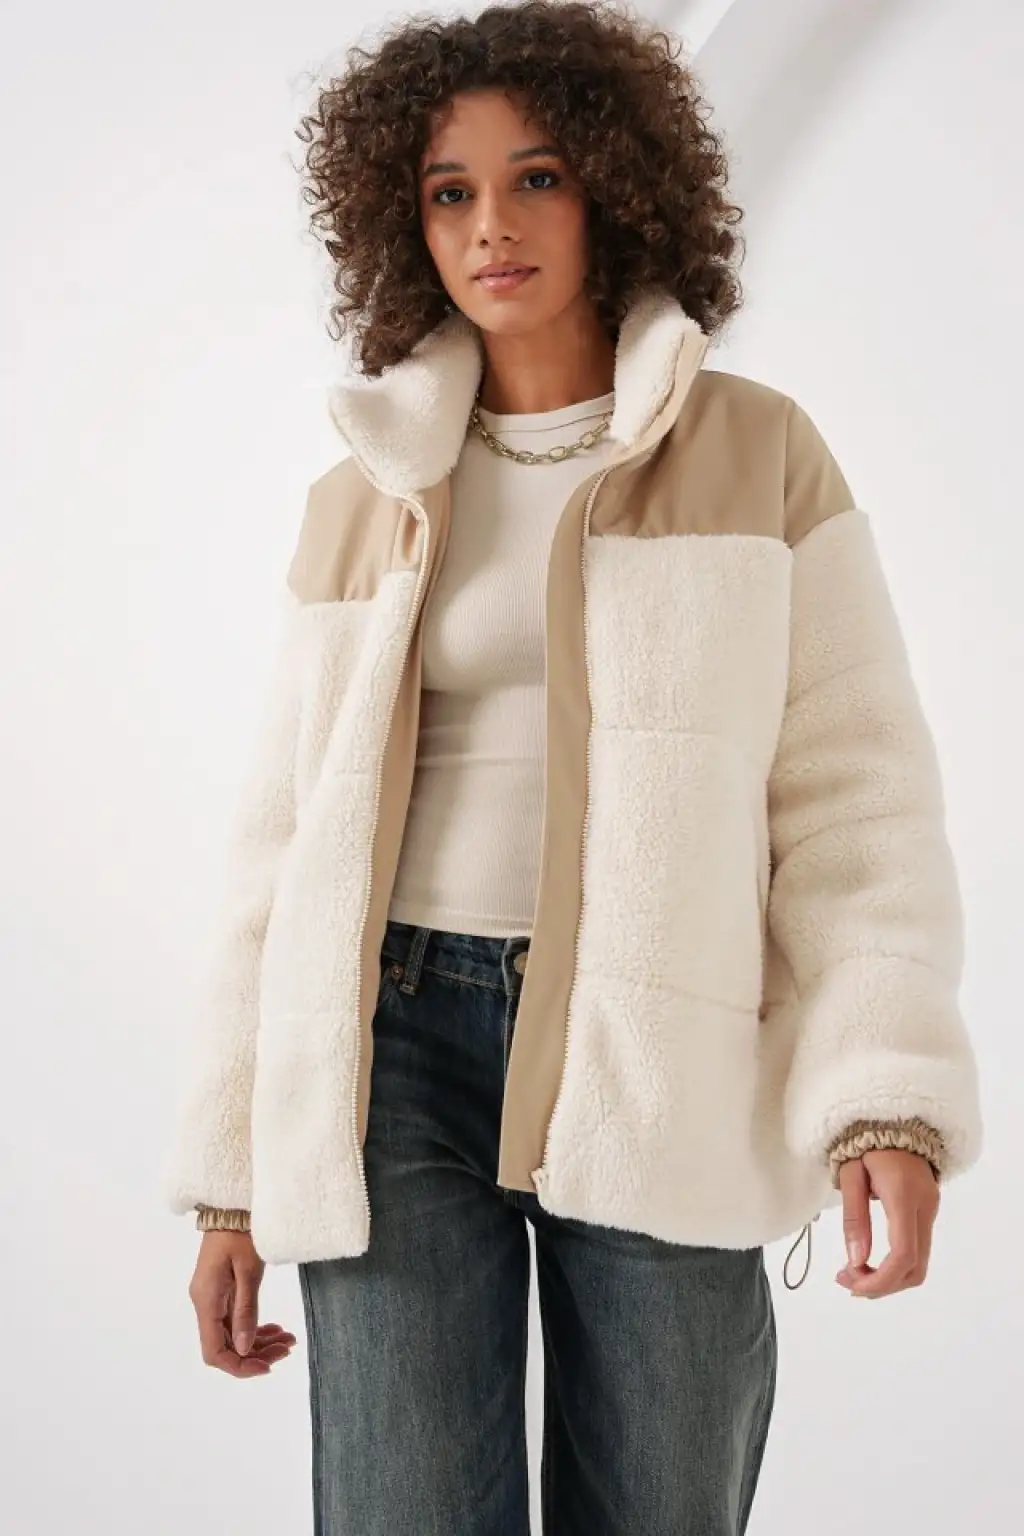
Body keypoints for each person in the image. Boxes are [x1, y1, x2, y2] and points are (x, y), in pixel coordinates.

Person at [162, 3, 983, 1531]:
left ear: (617, 181)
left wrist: (883, 1101)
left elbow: (857, 802)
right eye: (450, 191)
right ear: (405, 223)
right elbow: (279, 844)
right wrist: (230, 1177)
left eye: (535, 177)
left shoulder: (760, 453)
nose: (492, 225)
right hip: (391, 1047)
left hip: (665, 1054)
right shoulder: (364, 491)